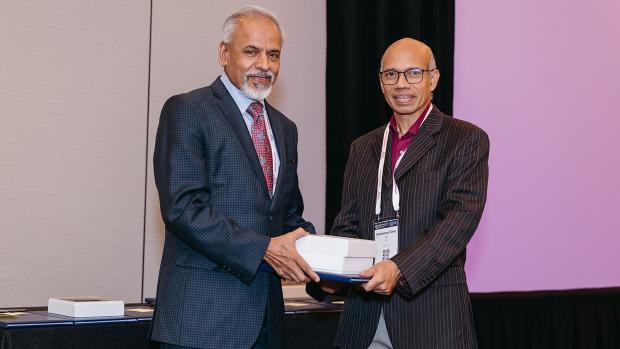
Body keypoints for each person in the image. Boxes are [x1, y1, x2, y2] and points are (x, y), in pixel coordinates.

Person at [150, 6, 319, 349]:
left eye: (273, 54)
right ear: (224, 53)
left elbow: (286, 218)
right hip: (200, 323)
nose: (264, 65)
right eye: (251, 51)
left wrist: (327, 267)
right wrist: (264, 249)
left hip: (266, 324)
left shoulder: (285, 129)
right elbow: (183, 208)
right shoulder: (187, 110)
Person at [316, 38, 489, 348]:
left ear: (433, 78)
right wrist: (330, 275)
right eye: (391, 75)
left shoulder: (464, 139)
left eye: (413, 73)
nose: (401, 84)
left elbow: (456, 223)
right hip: (363, 321)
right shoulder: (363, 148)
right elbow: (348, 225)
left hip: (431, 321)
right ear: (381, 83)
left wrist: (398, 268)